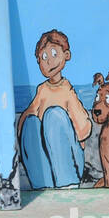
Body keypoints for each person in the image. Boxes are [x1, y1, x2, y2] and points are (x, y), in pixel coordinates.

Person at [18, 30, 92, 189]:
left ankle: (67, 183)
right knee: (30, 123)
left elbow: (84, 128)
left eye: (53, 54)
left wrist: (65, 130)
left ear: (66, 55)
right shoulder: (42, 90)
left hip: (69, 161)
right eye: (44, 57)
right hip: (48, 164)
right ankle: (42, 183)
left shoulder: (66, 89)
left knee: (53, 116)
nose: (49, 61)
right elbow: (27, 117)